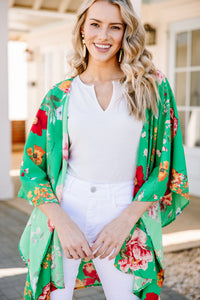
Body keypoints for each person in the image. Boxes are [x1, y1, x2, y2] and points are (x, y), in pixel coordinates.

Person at [18, 0, 189, 299]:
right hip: (67, 207)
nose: (103, 35)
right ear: (82, 29)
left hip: (126, 207)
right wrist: (62, 222)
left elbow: (164, 166)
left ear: (126, 33)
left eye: (115, 27)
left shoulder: (152, 87)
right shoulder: (59, 97)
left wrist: (125, 221)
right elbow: (32, 171)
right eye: (95, 24)